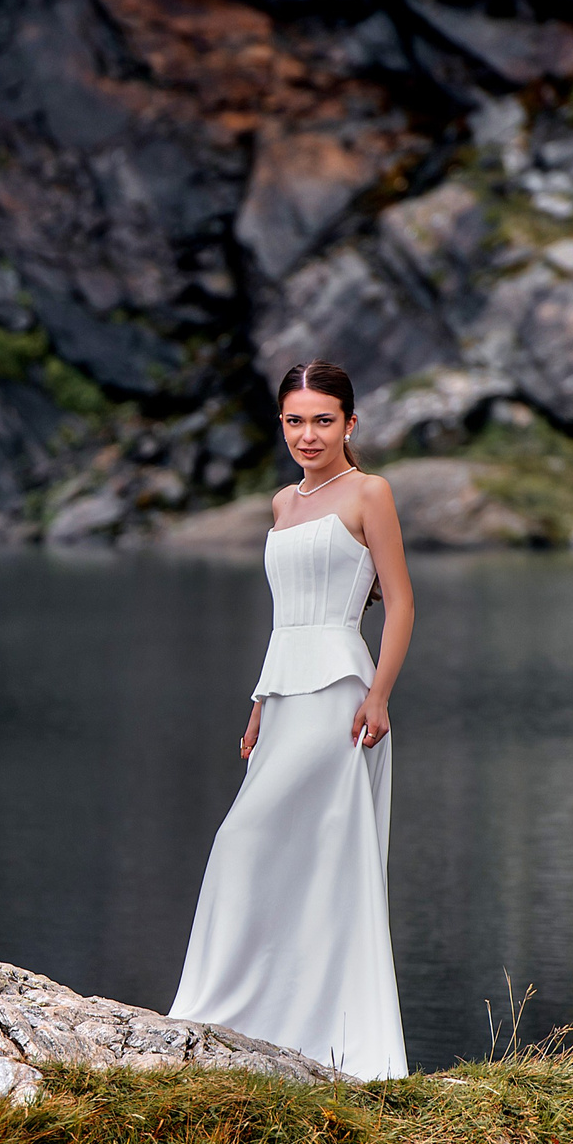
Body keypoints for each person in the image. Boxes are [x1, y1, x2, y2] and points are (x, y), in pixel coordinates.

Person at [167, 360, 412, 1081]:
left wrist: (379, 696)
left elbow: (400, 603)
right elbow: (287, 620)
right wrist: (259, 703)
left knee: (245, 841)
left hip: (340, 697)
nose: (309, 435)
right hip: (284, 697)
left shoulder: (370, 492)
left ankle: (235, 1014)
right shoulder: (282, 503)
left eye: (324, 420)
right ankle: (261, 1026)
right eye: (296, 421)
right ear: (281, 424)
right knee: (279, 856)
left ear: (350, 424)